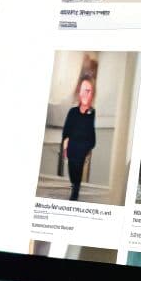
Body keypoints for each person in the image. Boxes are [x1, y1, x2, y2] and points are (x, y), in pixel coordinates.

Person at [60, 71, 99, 201]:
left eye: (88, 90)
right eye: (82, 90)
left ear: (92, 93)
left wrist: (88, 148)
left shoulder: (92, 113)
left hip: (82, 149)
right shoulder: (72, 112)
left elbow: (91, 133)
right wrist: (65, 145)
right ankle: (74, 185)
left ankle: (76, 189)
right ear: (78, 91)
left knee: (78, 171)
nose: (84, 94)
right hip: (71, 148)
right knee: (72, 170)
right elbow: (66, 131)